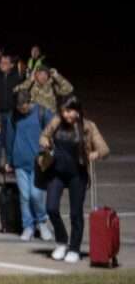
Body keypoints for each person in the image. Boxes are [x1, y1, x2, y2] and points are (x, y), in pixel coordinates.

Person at [39, 96, 110, 263]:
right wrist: (46, 143)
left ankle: (74, 248)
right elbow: (43, 136)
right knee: (51, 208)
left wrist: (95, 153)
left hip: (77, 175)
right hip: (56, 172)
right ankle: (62, 242)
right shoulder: (56, 121)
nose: (67, 115)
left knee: (75, 213)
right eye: (64, 111)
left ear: (77, 111)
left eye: (70, 111)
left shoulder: (88, 127)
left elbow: (104, 149)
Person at [4, 90, 53, 242]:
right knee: (24, 197)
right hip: (20, 162)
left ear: (30, 101)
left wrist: (50, 154)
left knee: (36, 195)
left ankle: (42, 222)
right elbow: (9, 138)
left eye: (24, 107)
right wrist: (9, 160)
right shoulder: (13, 116)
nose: (22, 110)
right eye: (19, 107)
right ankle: (28, 226)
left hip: (39, 163)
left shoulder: (43, 113)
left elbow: (53, 133)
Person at [0, 54, 24, 133]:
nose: (2, 64)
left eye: (6, 63)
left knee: (10, 139)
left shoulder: (17, 76)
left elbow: (25, 88)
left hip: (12, 113)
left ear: (11, 65)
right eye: (1, 62)